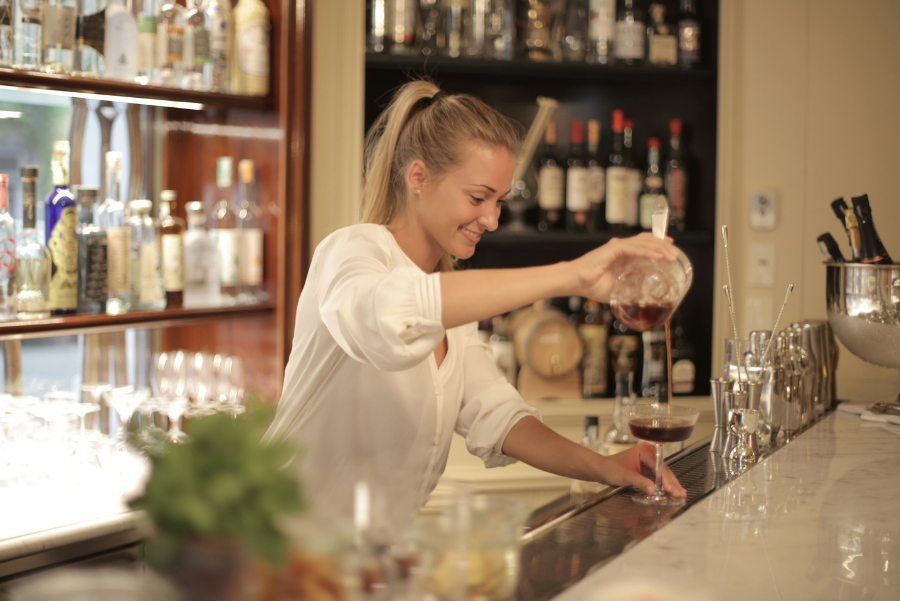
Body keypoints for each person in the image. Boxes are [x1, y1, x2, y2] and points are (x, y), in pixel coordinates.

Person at [265, 80, 686, 535]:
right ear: (419, 177)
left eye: (499, 201)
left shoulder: (450, 301)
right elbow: (389, 316)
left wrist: (606, 466)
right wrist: (574, 275)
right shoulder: (350, 252)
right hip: (278, 550)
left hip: (365, 565)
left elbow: (499, 416)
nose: (492, 219)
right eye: (478, 198)